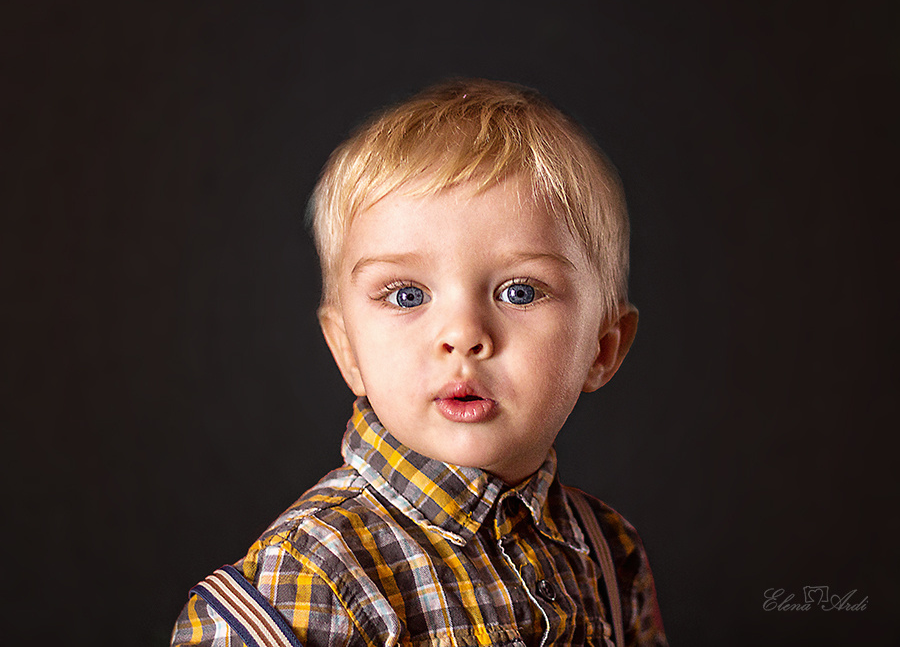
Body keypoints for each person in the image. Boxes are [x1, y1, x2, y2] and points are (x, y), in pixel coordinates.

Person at [171, 79, 667, 647]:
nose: (462, 335)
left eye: (520, 292)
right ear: (347, 350)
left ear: (603, 349)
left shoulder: (606, 550)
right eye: (407, 295)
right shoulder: (313, 580)